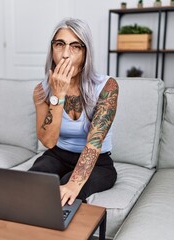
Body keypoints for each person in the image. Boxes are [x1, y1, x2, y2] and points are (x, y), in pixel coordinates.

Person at [29, 18, 119, 207]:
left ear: (86, 53)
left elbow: (94, 143)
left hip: (98, 161)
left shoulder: (107, 86)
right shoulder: (41, 90)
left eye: (75, 46)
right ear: (52, 49)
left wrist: (73, 185)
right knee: (32, 184)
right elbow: (48, 142)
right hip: (58, 155)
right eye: (60, 45)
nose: (65, 55)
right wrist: (58, 95)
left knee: (65, 194)